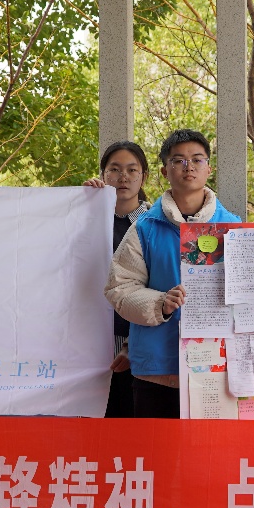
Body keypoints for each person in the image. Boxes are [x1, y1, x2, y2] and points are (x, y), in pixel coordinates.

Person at [106, 129, 240, 418]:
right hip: (156, 373)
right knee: (155, 448)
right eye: (178, 160)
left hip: (218, 370)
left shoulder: (234, 228)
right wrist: (160, 304)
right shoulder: (144, 228)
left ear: (209, 169)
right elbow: (119, 289)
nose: (188, 167)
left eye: (197, 159)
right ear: (165, 171)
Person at [83, 141, 153, 417]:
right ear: (103, 175)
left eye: (132, 170)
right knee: (92, 426)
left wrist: (132, 344)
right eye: (114, 169)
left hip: (138, 342)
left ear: (143, 177)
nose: (123, 177)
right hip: (88, 342)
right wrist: (81, 203)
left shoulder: (153, 223)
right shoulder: (87, 218)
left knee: (130, 424)